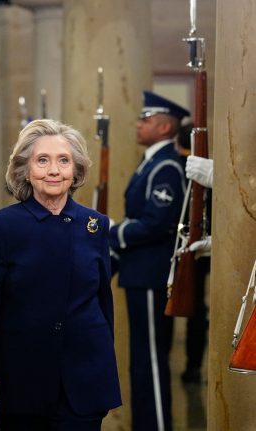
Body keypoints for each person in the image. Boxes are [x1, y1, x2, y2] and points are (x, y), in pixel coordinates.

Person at [0, 119, 121, 431]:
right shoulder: (2, 227)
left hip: (84, 381)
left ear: (76, 170)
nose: (54, 170)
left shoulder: (95, 225)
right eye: (42, 160)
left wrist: (103, 368)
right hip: (21, 381)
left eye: (63, 160)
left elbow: (103, 303)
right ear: (25, 170)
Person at [109, 91, 189, 431]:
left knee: (152, 360)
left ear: (165, 126)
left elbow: (157, 223)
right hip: (139, 272)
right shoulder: (152, 162)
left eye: (146, 119)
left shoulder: (167, 166)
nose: (139, 124)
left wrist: (115, 232)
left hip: (152, 274)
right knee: (142, 360)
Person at [176, 128, 213, 384]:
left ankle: (194, 365)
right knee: (195, 308)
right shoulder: (184, 164)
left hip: (203, 240)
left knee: (198, 310)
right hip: (195, 242)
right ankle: (193, 366)